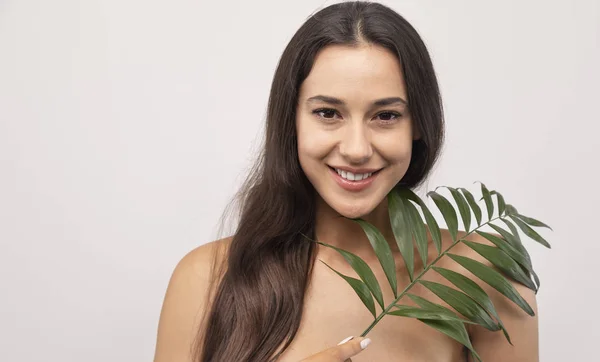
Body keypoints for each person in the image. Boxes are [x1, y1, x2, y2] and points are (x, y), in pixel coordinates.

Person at [153, 1, 538, 361]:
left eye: (385, 116)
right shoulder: (205, 279)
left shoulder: (482, 273)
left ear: (418, 124)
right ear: (292, 121)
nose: (356, 149)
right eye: (327, 112)